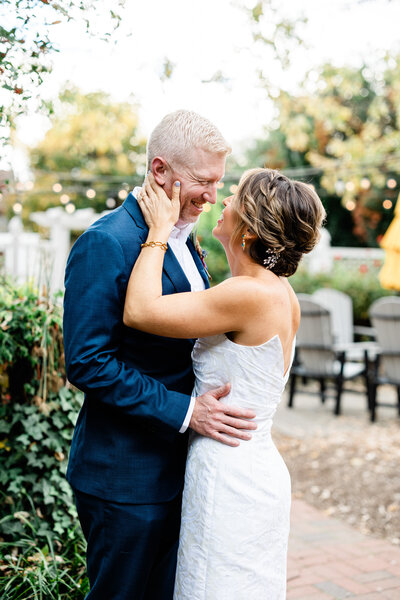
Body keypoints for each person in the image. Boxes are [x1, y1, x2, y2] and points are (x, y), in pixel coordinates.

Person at [63, 110, 258, 600]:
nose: (213, 197)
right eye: (203, 181)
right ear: (159, 170)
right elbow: (87, 362)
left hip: (180, 468)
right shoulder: (106, 242)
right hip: (124, 475)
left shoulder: (185, 239)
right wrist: (188, 411)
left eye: (219, 183)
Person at [123, 167, 326, 599]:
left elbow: (139, 311)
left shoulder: (249, 294)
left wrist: (159, 230)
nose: (222, 202)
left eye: (234, 197)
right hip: (250, 464)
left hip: (229, 472)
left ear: (250, 230)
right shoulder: (275, 290)